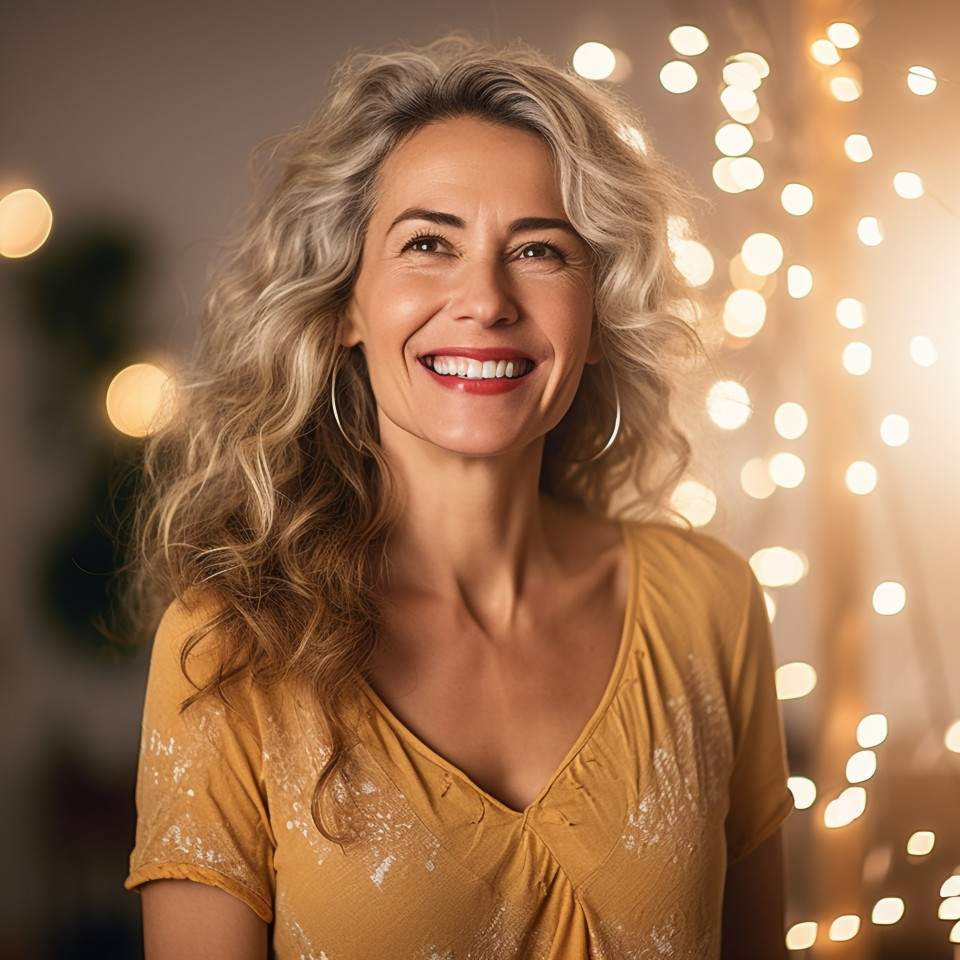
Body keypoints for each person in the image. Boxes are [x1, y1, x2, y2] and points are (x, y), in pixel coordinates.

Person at [125, 35, 792, 960]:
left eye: (541, 251)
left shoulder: (712, 603)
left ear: (597, 317)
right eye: (429, 243)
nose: (484, 298)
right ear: (345, 306)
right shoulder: (229, 647)